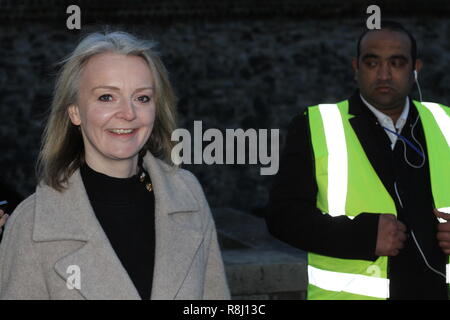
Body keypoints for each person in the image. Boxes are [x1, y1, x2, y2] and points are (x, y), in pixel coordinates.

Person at [0, 31, 230, 300]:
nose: (128, 113)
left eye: (142, 98)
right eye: (107, 97)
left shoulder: (187, 195)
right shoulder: (32, 223)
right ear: (74, 111)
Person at [266, 21, 450, 300]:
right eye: (372, 63)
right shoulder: (315, 125)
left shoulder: (446, 122)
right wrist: (361, 236)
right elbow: (282, 217)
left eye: (397, 63)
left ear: (416, 70)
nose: (384, 75)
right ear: (356, 67)